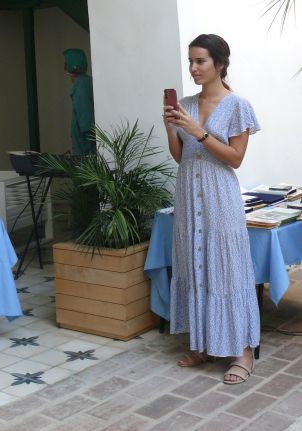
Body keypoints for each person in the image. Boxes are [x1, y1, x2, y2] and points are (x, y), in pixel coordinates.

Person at [163, 34, 260, 385]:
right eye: (190, 61)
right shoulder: (186, 104)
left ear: (220, 63)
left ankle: (243, 352)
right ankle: (205, 343)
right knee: (196, 265)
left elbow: (235, 159)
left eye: (200, 61)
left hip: (220, 198)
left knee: (227, 269)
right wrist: (172, 129)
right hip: (189, 195)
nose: (193, 68)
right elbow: (181, 157)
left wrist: (199, 132)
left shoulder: (238, 106)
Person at [63, 48, 95, 155]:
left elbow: (87, 127)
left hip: (85, 158)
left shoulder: (81, 87)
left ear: (68, 67)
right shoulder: (87, 82)